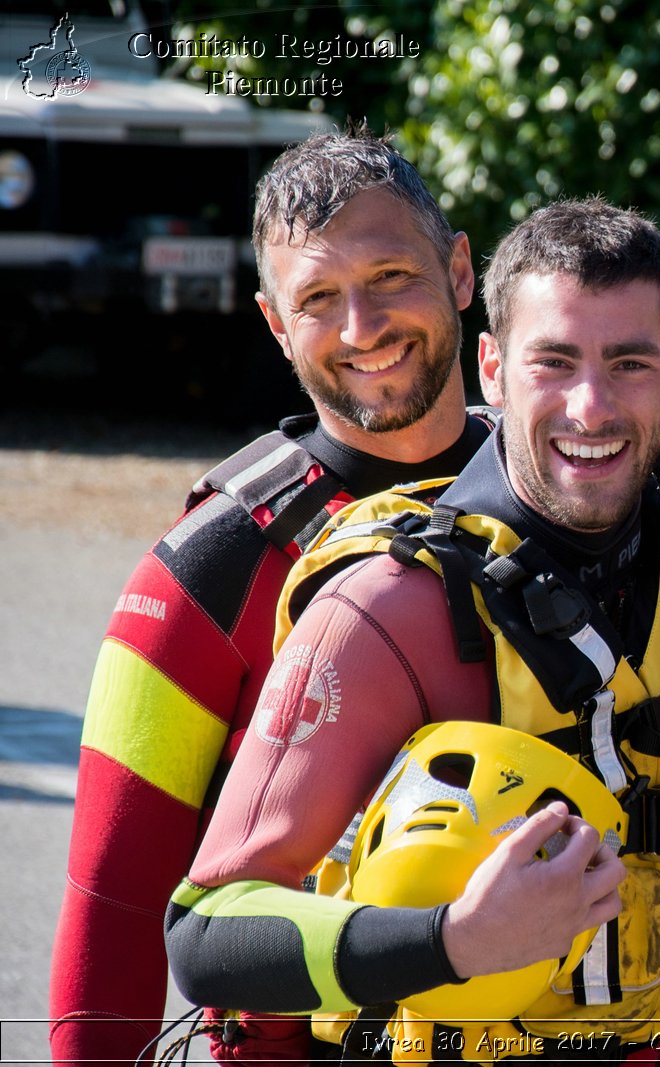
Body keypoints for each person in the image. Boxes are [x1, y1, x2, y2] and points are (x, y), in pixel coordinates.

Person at [164, 198, 660, 1063]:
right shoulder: (383, 609)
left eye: (628, 363)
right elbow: (206, 932)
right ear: (492, 368)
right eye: (553, 361)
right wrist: (455, 941)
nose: (590, 407)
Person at [50, 128, 494, 1065]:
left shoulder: (573, 491)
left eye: (391, 277)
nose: (363, 326)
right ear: (274, 324)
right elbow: (114, 906)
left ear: (460, 269)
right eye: (320, 299)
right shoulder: (205, 573)